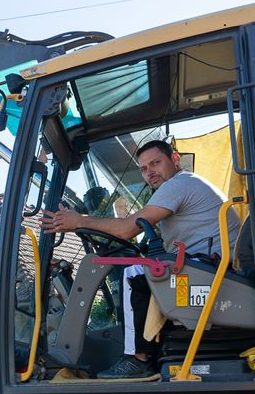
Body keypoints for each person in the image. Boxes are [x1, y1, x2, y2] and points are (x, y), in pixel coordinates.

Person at [41, 139, 238, 381]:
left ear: (175, 159)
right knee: (141, 264)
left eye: (156, 163)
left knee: (134, 272)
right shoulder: (182, 187)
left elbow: (126, 229)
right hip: (210, 267)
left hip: (211, 270)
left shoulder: (179, 184)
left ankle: (138, 359)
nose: (149, 173)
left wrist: (80, 221)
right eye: (144, 168)